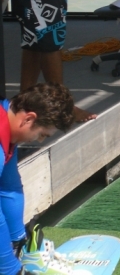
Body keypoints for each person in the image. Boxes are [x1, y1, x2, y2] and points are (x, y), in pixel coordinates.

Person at [0, 83, 75, 275]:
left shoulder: (6, 120)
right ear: (28, 118)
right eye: (42, 134)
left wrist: (19, 242)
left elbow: (9, 186)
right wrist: (10, 269)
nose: (40, 140)